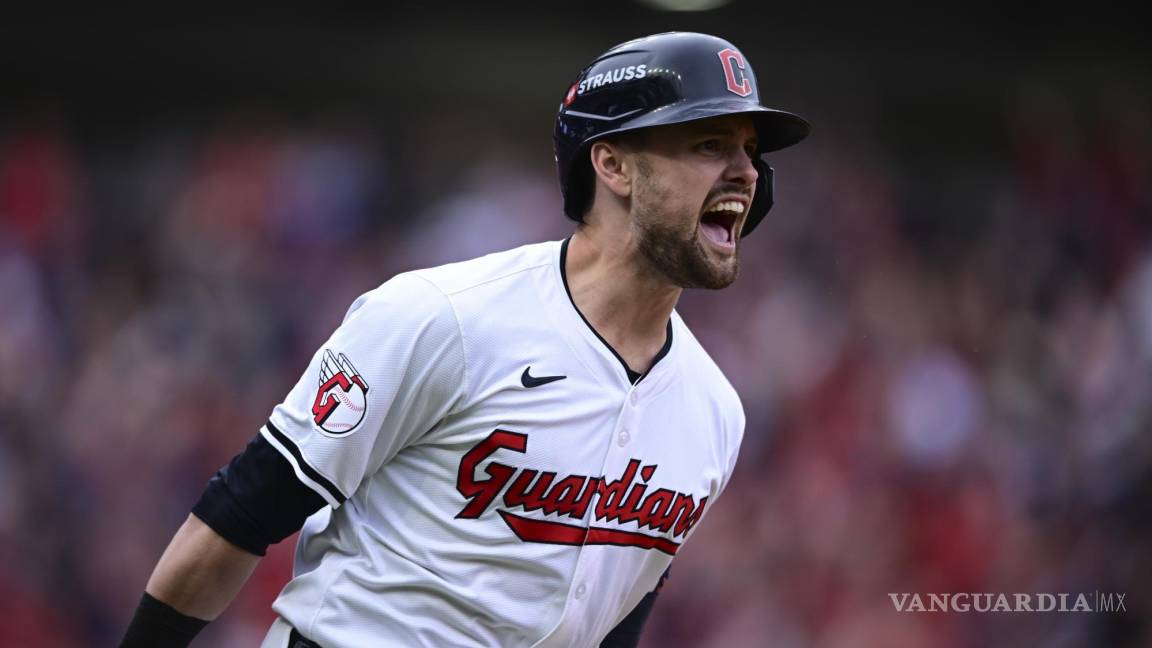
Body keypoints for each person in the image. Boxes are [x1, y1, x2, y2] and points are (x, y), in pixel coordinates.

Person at [120, 31, 810, 648]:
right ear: (614, 165)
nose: (747, 173)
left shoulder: (716, 411)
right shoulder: (442, 316)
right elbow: (238, 515)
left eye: (750, 152)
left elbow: (613, 615)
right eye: (708, 144)